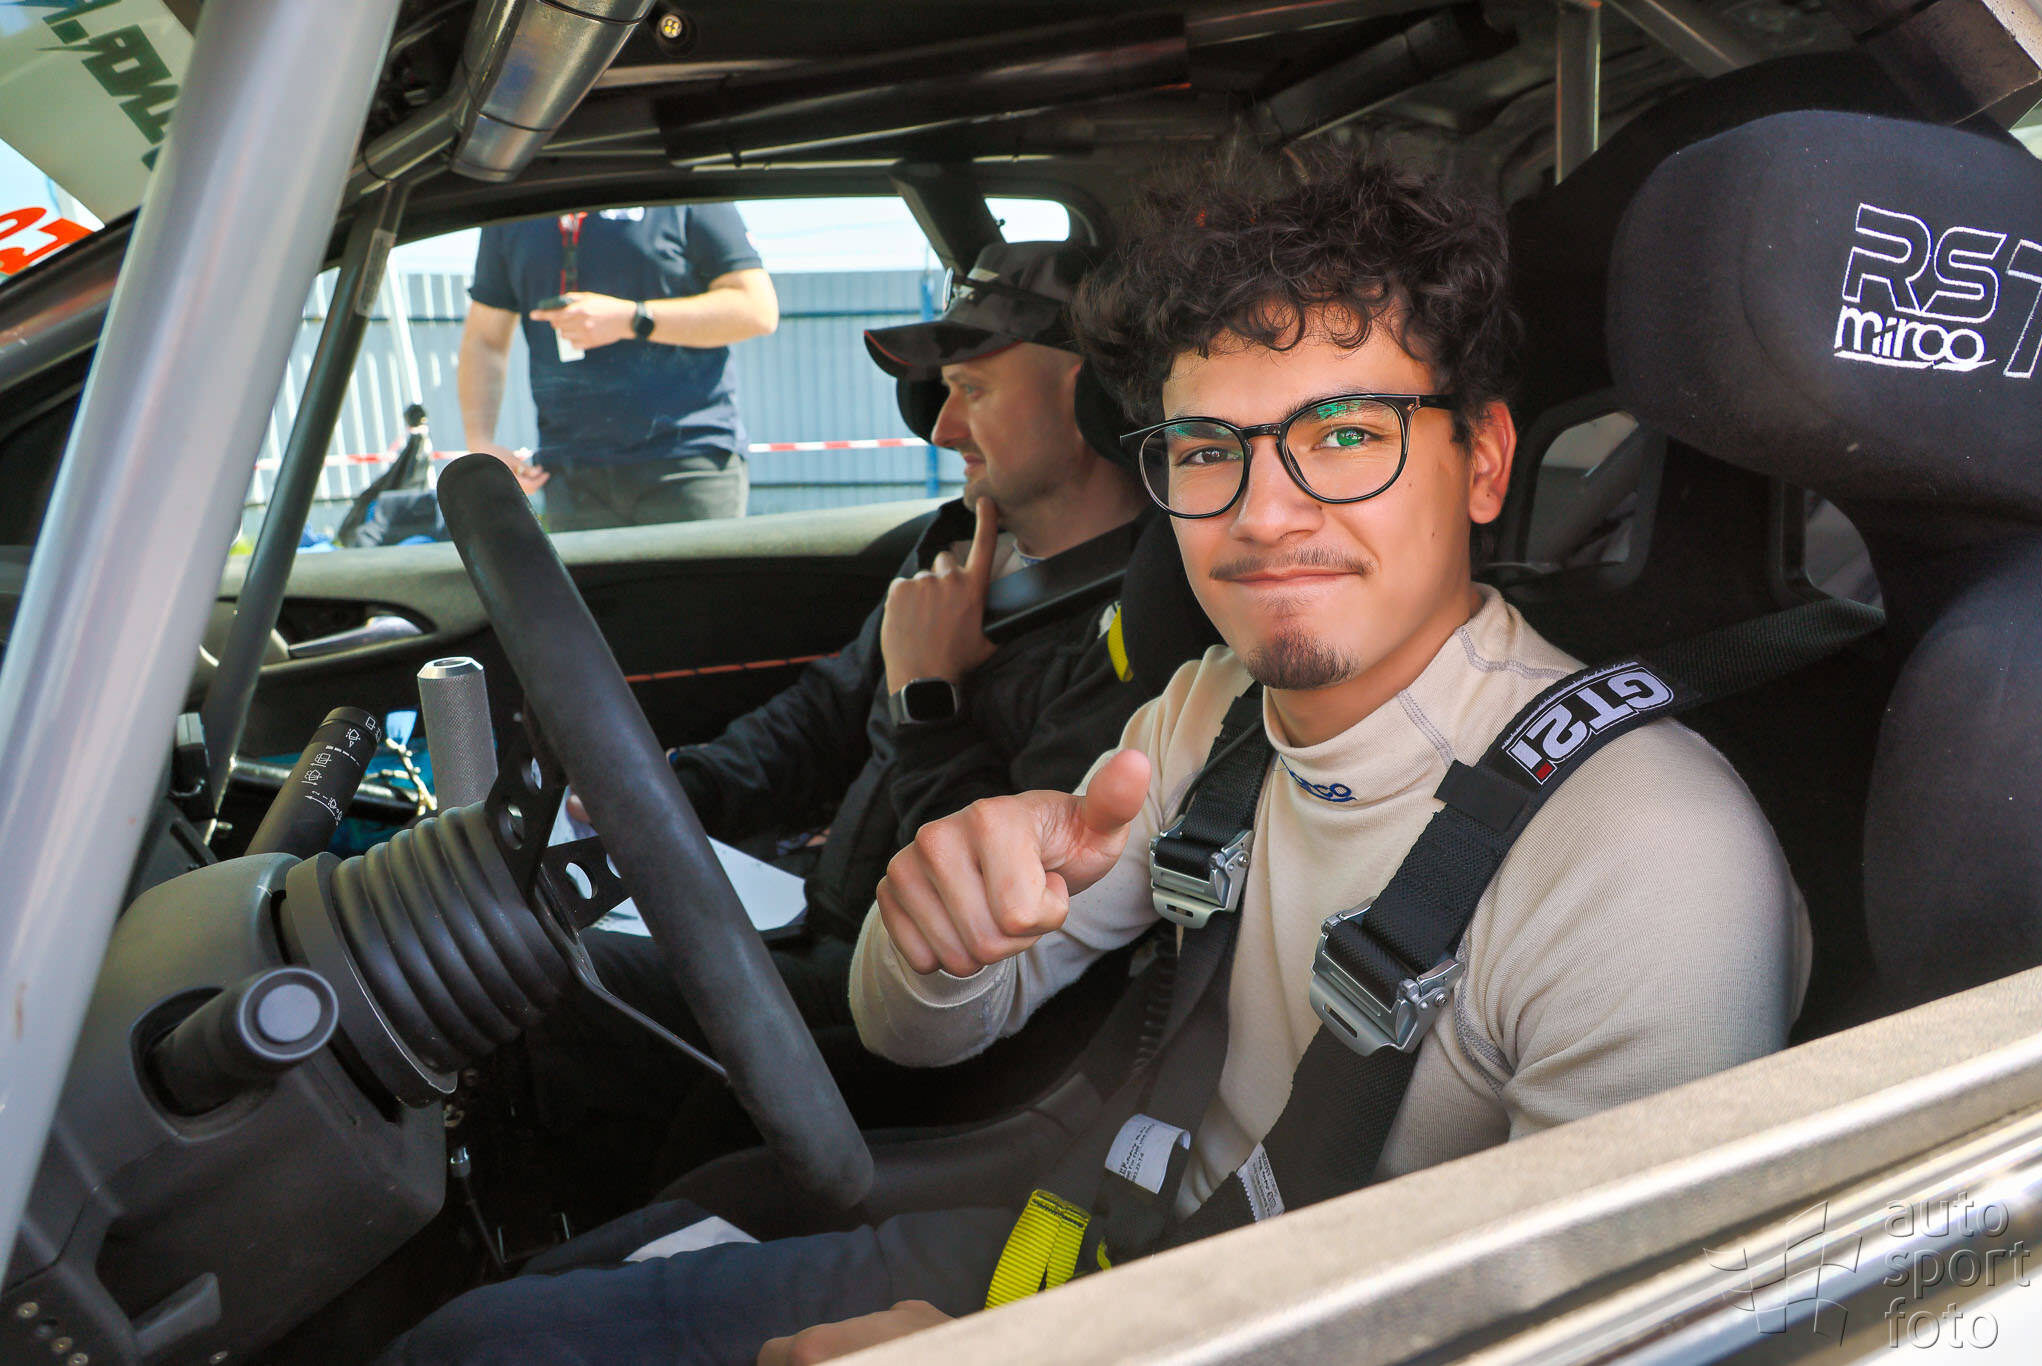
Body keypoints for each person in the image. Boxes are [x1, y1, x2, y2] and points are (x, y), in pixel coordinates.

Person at [384, 151, 1808, 1366]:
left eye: (1344, 435)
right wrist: (937, 939)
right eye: (1208, 448)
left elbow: (1597, 1338)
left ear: (1483, 461)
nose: (1263, 513)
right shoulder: (1208, 715)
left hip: (1239, 1329)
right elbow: (913, 1032)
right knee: (478, 1341)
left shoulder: (1644, 860)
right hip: (1096, 1250)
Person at [525, 240, 1154, 1188]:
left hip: (903, 1003)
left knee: (548, 986)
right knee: (532, 934)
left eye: (973, 391)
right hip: (813, 918)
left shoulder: (1138, 631)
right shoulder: (958, 544)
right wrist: (669, 798)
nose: (942, 427)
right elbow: (822, 718)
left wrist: (929, 697)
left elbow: (1002, 911)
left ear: (1091, 397)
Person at [458, 203, 779, 531]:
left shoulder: (684, 194)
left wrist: (632, 319)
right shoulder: (513, 213)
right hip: (569, 471)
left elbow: (757, 309)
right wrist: (480, 442)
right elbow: (485, 339)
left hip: (689, 459)